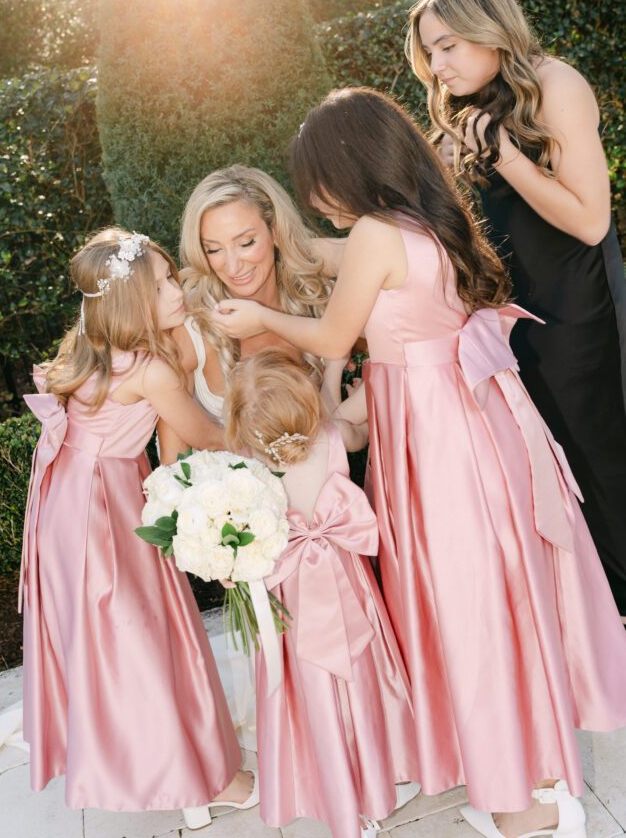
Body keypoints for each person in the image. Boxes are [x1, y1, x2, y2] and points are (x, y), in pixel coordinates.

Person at [211, 88, 626, 838]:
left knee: (464, 608)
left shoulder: (375, 231)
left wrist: (261, 318)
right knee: (498, 596)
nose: (316, 200)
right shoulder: (426, 220)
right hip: (466, 418)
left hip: (436, 437)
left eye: (317, 182)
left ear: (351, 167)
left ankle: (521, 812)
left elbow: (336, 337)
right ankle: (531, 772)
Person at [405, 0, 626, 617]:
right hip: (511, 326)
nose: (436, 64)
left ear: (489, 28)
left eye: (447, 44)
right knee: (559, 475)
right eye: (429, 50)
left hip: (582, 312)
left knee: (606, 457)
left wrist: (504, 156)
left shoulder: (554, 85)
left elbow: (591, 221)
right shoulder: (462, 115)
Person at [20, 227, 257, 825]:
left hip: (69, 502)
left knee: (116, 638)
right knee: (144, 636)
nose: (176, 288)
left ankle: (179, 771)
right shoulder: (149, 370)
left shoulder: (87, 350)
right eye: (163, 285)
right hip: (107, 509)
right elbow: (206, 434)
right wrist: (266, 432)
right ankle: (199, 779)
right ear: (133, 305)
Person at [224, 348, 419, 838]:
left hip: (291, 591)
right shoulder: (334, 436)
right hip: (344, 577)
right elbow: (368, 425)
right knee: (359, 673)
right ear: (307, 399)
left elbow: (234, 534)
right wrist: (338, 374)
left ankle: (333, 790)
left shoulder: (243, 468)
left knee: (310, 684)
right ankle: (375, 779)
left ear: (244, 425)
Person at [157, 164, 333, 459]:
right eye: (214, 249)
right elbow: (173, 462)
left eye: (246, 243)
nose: (233, 266)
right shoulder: (190, 326)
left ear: (275, 232)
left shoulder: (320, 303)